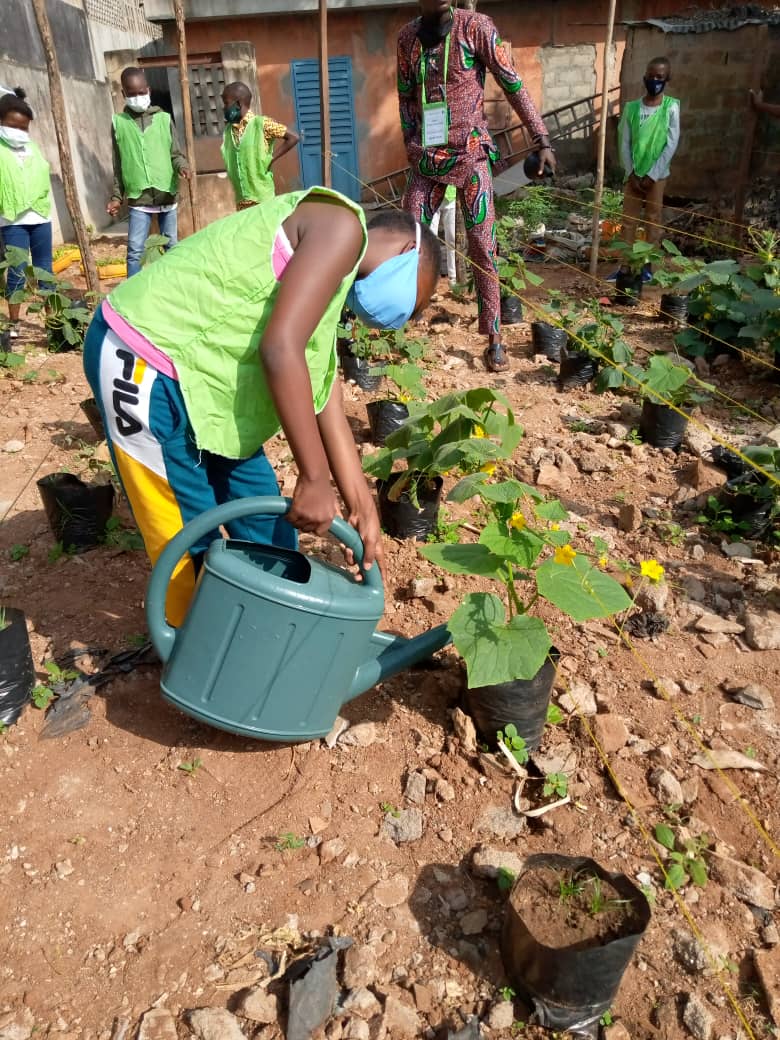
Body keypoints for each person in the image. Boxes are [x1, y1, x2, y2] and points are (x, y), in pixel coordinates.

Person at [82, 187, 440, 624]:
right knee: (185, 537)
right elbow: (280, 348)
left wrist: (361, 503)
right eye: (417, 304)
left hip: (207, 382)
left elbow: (322, 391)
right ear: (407, 251)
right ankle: (194, 646)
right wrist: (313, 478)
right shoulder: (342, 227)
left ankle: (262, 626)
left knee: (269, 530)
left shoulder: (334, 280)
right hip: (143, 360)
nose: (407, 319)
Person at [397, 0, 555, 373]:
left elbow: (512, 82)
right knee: (408, 238)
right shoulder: (407, 39)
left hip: (471, 154)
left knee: (483, 246)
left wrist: (541, 138)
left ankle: (494, 338)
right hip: (427, 159)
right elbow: (405, 98)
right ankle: (401, 321)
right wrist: (410, 145)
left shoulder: (476, 28)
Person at [106, 67, 190, 277]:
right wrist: (116, 197)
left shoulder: (164, 119)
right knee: (135, 251)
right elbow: (118, 164)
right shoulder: (119, 123)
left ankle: (173, 285)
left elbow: (175, 154)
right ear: (124, 94)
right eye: (132, 93)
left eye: (141, 92)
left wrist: (183, 167)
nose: (138, 97)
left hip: (166, 194)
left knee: (171, 247)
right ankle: (133, 292)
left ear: (148, 90)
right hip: (139, 199)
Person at [609, 57, 680, 282]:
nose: (654, 80)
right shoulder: (631, 108)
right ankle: (625, 267)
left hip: (657, 177)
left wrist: (652, 175)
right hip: (633, 176)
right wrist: (631, 173)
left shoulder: (671, 107)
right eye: (651, 76)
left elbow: (671, 144)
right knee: (628, 221)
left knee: (653, 220)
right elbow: (624, 142)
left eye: (660, 77)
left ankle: (648, 266)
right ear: (644, 77)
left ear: (667, 79)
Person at [0, 87, 53, 343]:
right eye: (13, 126)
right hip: (12, 220)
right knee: (17, 272)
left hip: (40, 217)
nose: (19, 132)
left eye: (24, 128)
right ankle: (14, 323)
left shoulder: (32, 147)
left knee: (45, 271)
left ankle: (54, 322)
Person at [221, 81, 300, 209]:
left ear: (238, 104)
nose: (224, 108)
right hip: (242, 201)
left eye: (226, 103)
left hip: (262, 200)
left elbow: (293, 137)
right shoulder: (229, 131)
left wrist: (271, 159)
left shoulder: (262, 124)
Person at [429, 183, 457, 285]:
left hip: (451, 197)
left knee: (452, 239)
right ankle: (432, 278)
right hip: (431, 196)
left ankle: (453, 277)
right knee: (430, 239)